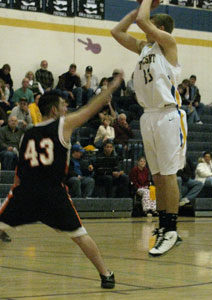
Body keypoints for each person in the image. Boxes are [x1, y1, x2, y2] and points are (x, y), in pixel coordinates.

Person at [0, 75, 123, 288]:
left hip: (26, 192)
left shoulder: (26, 134)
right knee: (80, 235)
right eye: (64, 105)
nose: (66, 109)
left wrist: (15, 197)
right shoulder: (62, 126)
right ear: (55, 110)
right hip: (52, 193)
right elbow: (89, 110)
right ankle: (106, 274)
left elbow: (20, 173)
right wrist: (110, 88)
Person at [111, 0, 187, 256]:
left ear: (161, 27)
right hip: (148, 115)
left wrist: (146, 3)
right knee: (158, 176)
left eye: (151, 25)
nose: (145, 27)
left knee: (168, 174)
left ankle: (172, 228)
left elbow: (143, 21)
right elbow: (116, 33)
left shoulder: (168, 44)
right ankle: (164, 228)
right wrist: (135, 12)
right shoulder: (145, 48)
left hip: (167, 114)